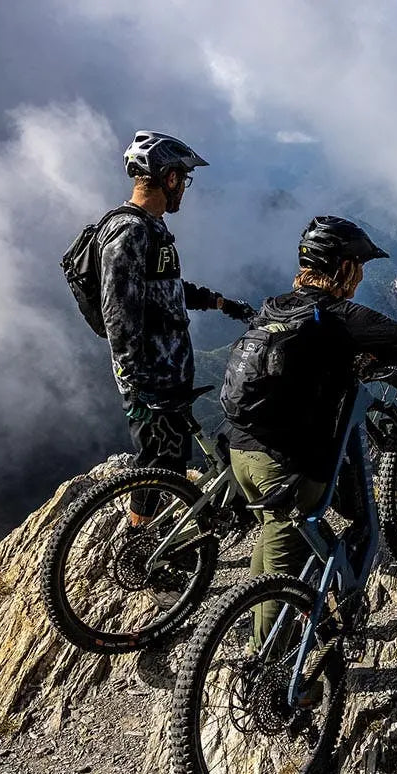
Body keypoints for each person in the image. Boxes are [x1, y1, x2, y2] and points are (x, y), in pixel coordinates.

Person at [226, 215, 397, 646]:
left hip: (241, 452)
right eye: (358, 266)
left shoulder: (277, 305)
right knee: (284, 568)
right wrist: (376, 349)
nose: (360, 277)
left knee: (271, 541)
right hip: (284, 467)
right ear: (342, 268)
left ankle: (263, 625)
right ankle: (271, 675)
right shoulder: (337, 316)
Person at [98, 131, 252, 524]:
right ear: (169, 178)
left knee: (170, 464)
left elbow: (165, 289)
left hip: (167, 374)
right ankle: (141, 548)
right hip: (151, 380)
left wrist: (219, 302)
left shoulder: (151, 228)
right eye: (183, 177)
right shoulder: (129, 232)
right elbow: (118, 311)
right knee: (155, 467)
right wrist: (139, 380)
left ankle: (158, 540)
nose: (185, 186)